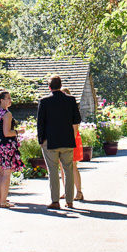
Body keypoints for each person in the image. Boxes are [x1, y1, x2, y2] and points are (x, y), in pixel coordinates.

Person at [37, 75, 81, 209]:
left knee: (53, 171)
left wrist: (41, 140)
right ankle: (69, 201)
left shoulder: (44, 101)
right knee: (68, 170)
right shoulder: (71, 100)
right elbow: (76, 120)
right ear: (61, 86)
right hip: (67, 140)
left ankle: (55, 201)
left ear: (49, 87)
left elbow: (40, 123)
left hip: (50, 141)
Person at [0, 89, 24, 208]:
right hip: (5, 146)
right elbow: (7, 132)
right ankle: (3, 201)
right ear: (2, 100)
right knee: (6, 174)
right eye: (8, 98)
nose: (10, 100)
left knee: (1, 174)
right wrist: (19, 131)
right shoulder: (7, 114)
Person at [58, 87, 84, 202]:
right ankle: (66, 191)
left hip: (72, 139)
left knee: (73, 166)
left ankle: (79, 191)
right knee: (62, 167)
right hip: (61, 139)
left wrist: (71, 140)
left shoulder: (72, 109)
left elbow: (75, 125)